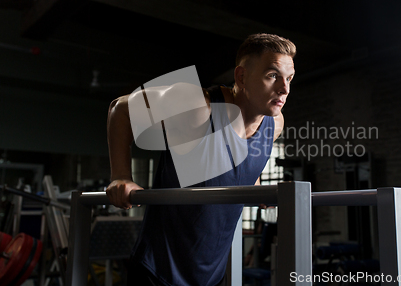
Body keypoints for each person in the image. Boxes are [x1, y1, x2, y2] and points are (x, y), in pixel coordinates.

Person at [106, 33, 296, 286]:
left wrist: (255, 185)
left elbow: (246, 158)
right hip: (159, 271)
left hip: (212, 275)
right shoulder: (198, 107)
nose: (284, 88)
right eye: (272, 76)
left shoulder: (275, 124)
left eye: (289, 78)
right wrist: (121, 176)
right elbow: (120, 108)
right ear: (241, 77)